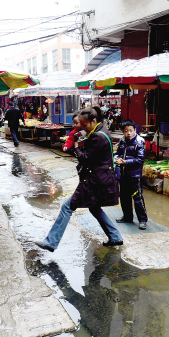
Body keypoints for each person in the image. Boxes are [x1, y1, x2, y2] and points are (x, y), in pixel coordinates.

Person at [35, 106, 123, 252]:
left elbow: (85, 159)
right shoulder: (102, 131)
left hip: (94, 181)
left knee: (67, 207)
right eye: (80, 125)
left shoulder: (96, 136)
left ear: (93, 121)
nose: (82, 128)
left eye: (84, 125)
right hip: (100, 179)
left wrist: (76, 146)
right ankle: (115, 236)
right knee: (94, 208)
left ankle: (51, 242)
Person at [114, 119, 148, 230]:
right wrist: (116, 158)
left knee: (137, 198)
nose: (128, 133)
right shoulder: (122, 141)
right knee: (124, 197)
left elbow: (140, 159)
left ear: (134, 130)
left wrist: (125, 162)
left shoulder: (139, 141)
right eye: (126, 131)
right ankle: (127, 217)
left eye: (131, 130)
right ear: (123, 131)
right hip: (123, 175)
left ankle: (142, 220)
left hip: (134, 176)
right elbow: (118, 152)